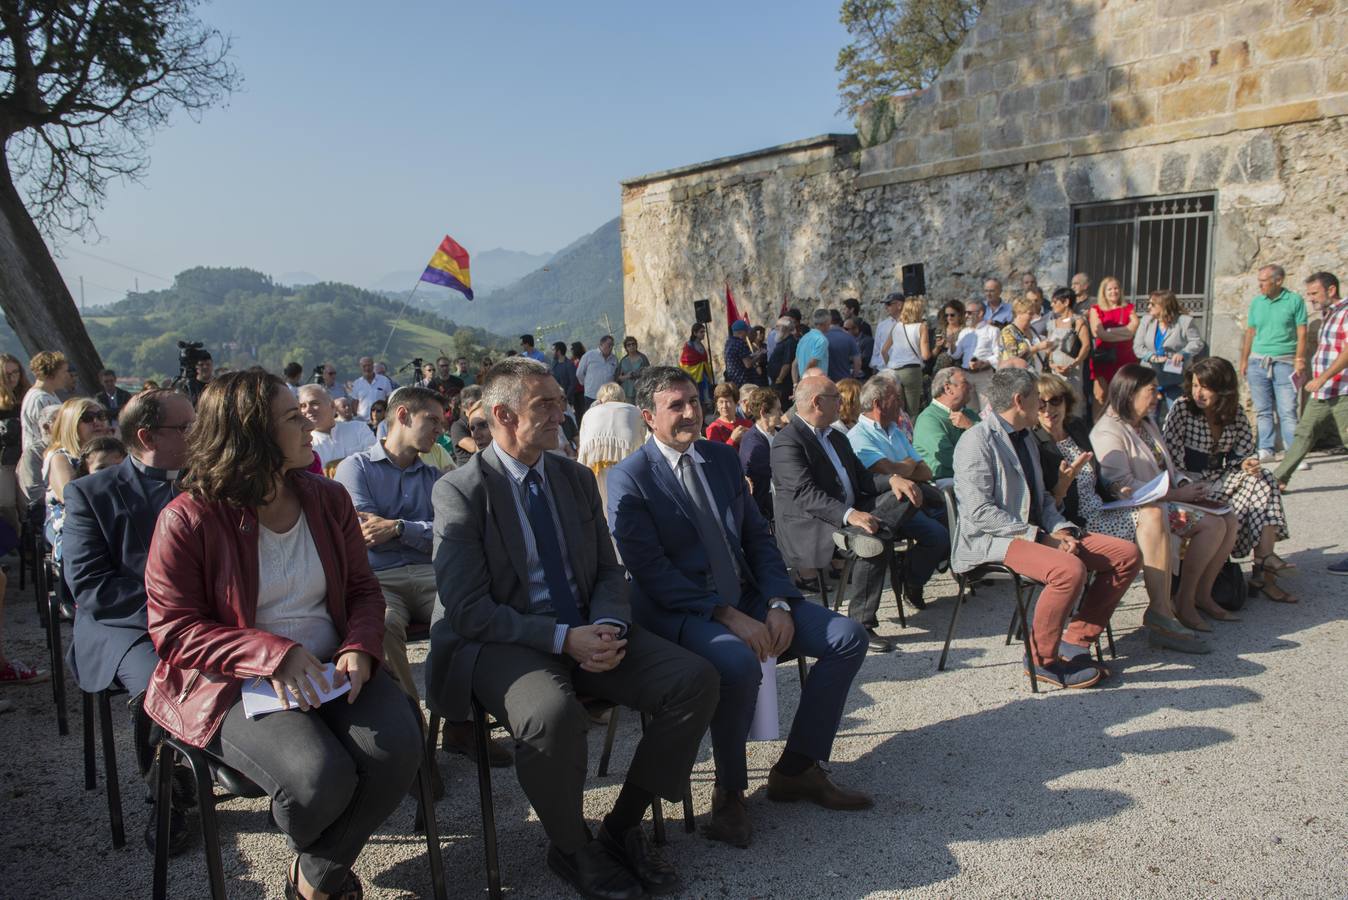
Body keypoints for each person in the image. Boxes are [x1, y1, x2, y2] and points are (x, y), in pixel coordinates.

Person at [427, 358, 718, 899]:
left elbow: (608, 569)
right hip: (505, 639)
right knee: (552, 713)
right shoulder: (462, 491)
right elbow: (467, 609)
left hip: (587, 627)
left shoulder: (575, 478)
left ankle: (620, 827)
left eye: (562, 401)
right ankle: (570, 847)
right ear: (502, 414)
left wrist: (605, 625)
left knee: (693, 679)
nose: (563, 413)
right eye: (547, 405)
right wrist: (564, 639)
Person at [141, 371, 420, 900]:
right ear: (251, 434)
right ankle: (328, 871)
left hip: (331, 667)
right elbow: (174, 632)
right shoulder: (188, 518)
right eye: (293, 418)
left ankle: (312, 877)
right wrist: (273, 654)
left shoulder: (328, 498)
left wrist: (360, 645)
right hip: (232, 683)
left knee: (399, 748)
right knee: (319, 780)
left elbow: (363, 589)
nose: (310, 427)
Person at [608, 367, 870, 850]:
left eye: (693, 401)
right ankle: (729, 791)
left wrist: (776, 601)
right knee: (737, 662)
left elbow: (756, 536)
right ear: (648, 417)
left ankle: (797, 768)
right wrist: (727, 615)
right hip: (684, 611)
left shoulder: (722, 458)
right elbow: (651, 573)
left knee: (847, 637)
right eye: (676, 406)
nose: (690, 412)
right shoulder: (631, 478)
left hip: (748, 594)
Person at [64, 390, 196, 852]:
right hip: (126, 624)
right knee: (157, 683)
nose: (196, 435)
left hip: (199, 619)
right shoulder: (90, 493)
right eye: (185, 428)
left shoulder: (207, 483)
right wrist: (168, 618)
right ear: (146, 436)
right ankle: (168, 796)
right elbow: (90, 585)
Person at [952, 368, 1142, 687]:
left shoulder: (1025, 437)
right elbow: (979, 512)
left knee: (1126, 555)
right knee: (1068, 570)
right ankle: (1042, 660)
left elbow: (1040, 498)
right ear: (1019, 400)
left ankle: (1076, 640)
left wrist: (1061, 529)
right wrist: (1041, 537)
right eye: (1038, 400)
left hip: (1032, 532)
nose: (1043, 407)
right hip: (990, 540)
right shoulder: (976, 441)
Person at [1092, 364, 1240, 639]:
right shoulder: (1108, 431)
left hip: (1166, 497)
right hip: (1140, 507)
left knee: (1229, 519)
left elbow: (1167, 467)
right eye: (1152, 391)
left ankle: (1202, 595)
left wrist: (1185, 485)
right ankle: (1184, 601)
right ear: (1131, 393)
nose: (1158, 396)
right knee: (1212, 526)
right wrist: (1173, 495)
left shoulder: (1145, 423)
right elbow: (1119, 485)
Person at [771, 376, 904, 651]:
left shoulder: (837, 437)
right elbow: (804, 494)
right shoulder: (788, 442)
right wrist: (849, 515)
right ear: (817, 402)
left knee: (912, 494)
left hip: (851, 513)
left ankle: (896, 551)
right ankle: (862, 626)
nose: (842, 403)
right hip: (817, 524)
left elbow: (864, 480)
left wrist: (892, 480)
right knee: (873, 544)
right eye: (836, 398)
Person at [334, 387, 446, 711]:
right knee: (380, 625)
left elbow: (447, 531)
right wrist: (420, 530)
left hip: (430, 573)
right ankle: (412, 723)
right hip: (378, 580)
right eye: (433, 420)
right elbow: (366, 530)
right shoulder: (356, 467)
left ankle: (458, 721)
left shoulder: (433, 476)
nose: (440, 429)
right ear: (403, 415)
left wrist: (398, 527)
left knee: (464, 615)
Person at [1165, 358, 1293, 601]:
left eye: (1205, 387)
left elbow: (1242, 453)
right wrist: (1186, 486)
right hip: (1190, 483)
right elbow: (1171, 460)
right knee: (1262, 493)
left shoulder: (1234, 413)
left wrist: (1247, 463)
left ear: (1222, 390)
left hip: (1220, 479)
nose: (1198, 393)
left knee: (1263, 478)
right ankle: (1263, 566)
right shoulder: (1182, 409)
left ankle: (1263, 561)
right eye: (1194, 385)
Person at [846, 374, 950, 610]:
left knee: (955, 521)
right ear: (877, 404)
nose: (901, 404)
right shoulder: (858, 437)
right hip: (887, 506)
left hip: (914, 498)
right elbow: (884, 470)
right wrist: (905, 466)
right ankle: (912, 581)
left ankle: (913, 567)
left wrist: (903, 468)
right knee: (938, 535)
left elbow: (926, 472)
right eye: (896, 399)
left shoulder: (895, 430)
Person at [1275, 272, 1348, 500]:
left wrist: (1323, 377)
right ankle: (1279, 479)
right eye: (1309, 294)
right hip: (1324, 390)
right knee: (1304, 433)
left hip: (1343, 390)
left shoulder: (1346, 313)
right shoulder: (1329, 314)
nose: (1311, 299)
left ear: (1332, 290)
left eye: (1314, 293)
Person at [1241, 264, 1309, 461]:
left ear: (1278, 281)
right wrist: (1244, 360)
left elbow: (1302, 331)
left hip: (1285, 362)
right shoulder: (1257, 302)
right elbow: (1251, 331)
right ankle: (1266, 449)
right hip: (1258, 362)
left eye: (1264, 281)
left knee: (1288, 410)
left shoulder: (1295, 301)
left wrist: (1300, 359)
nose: (1260, 285)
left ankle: (1293, 454)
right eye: (1259, 281)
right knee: (1262, 410)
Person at [42, 398, 113, 561]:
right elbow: (71, 499)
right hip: (74, 524)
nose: (97, 422)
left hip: (109, 519)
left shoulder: (115, 453)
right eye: (88, 418)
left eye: (101, 416)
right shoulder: (60, 458)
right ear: (70, 424)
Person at [1032, 373, 1104, 531]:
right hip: (1075, 521)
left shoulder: (1076, 426)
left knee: (1155, 511)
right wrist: (1061, 487)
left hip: (1102, 508)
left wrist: (1115, 487)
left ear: (1066, 402)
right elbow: (1041, 506)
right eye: (1041, 404)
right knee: (1150, 518)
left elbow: (1098, 477)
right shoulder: (1034, 443)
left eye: (1055, 400)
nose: (1048, 409)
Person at [576, 382, 645, 510]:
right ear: (622, 397)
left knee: (601, 496)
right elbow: (644, 438)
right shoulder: (635, 410)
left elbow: (583, 442)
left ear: (600, 398)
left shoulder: (590, 413)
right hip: (626, 454)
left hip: (595, 458)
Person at [1134, 289, 1205, 406]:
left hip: (1175, 377)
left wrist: (1183, 353)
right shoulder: (1146, 320)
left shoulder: (1184, 321)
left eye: (1152, 304)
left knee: (1176, 412)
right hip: (1150, 376)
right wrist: (1152, 357)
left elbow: (1197, 342)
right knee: (1149, 414)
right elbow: (1138, 347)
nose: (1148, 307)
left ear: (1163, 305)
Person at [912, 366, 980, 485]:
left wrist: (971, 426)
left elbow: (993, 443)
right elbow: (950, 458)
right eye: (965, 382)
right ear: (948, 388)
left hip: (973, 475)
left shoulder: (969, 415)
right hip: (946, 483)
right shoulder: (928, 419)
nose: (970, 386)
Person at [1087, 276, 1140, 418]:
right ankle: (1097, 429)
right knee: (1101, 396)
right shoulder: (1095, 309)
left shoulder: (1129, 308)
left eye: (1116, 288)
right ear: (1103, 292)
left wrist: (1110, 332)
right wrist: (1124, 331)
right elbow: (1098, 333)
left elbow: (1133, 329)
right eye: (1109, 289)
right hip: (1104, 358)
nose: (1113, 291)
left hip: (1125, 358)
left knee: (1125, 395)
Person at [298, 385, 376, 473]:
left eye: (314, 403)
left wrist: (335, 466)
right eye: (303, 406)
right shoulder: (302, 444)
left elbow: (374, 459)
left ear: (331, 405)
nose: (308, 410)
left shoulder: (358, 428)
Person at [874, 295, 930, 416]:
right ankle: (911, 433)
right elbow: (925, 355)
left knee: (899, 411)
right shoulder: (921, 326)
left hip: (894, 370)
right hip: (912, 370)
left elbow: (884, 350)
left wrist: (889, 364)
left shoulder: (897, 326)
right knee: (912, 410)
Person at [739, 386, 780, 519]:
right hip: (765, 514)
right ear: (764, 412)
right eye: (778, 410)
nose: (781, 413)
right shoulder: (753, 444)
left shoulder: (778, 433)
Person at [0, 353, 29, 534]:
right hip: (5, 461)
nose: (12, 378)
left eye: (16, 372)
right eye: (7, 374)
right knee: (7, 504)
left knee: (26, 505)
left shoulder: (27, 398)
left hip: (25, 458)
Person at [21, 350, 70, 454]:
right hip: (41, 456)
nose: (67, 375)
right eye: (64, 371)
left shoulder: (48, 394)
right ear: (52, 372)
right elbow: (52, 432)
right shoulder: (41, 398)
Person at [1044, 288, 1091, 394]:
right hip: (1056, 370)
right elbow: (1051, 346)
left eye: (1055, 302)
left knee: (1074, 400)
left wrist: (1073, 364)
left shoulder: (1078, 321)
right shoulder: (1053, 323)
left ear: (1066, 302)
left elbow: (1086, 346)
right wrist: (1052, 364)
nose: (1051, 305)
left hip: (1073, 371)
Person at [961, 298, 1001, 406]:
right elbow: (955, 354)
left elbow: (999, 355)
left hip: (984, 375)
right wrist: (950, 343)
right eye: (965, 313)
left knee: (987, 411)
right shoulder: (964, 332)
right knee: (970, 411)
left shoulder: (993, 330)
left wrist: (984, 363)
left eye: (969, 313)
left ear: (980, 313)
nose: (966, 316)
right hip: (966, 375)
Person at [18, 403, 59, 508]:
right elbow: (34, 492)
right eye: (62, 422)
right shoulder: (34, 452)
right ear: (47, 427)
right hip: (47, 511)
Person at [1000, 295, 1054, 369]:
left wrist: (1047, 350)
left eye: (1033, 313)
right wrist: (1037, 347)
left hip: (1036, 375)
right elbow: (1013, 358)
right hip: (1020, 376)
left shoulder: (1032, 329)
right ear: (1019, 313)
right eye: (1030, 313)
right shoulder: (1008, 331)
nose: (1033, 317)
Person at [576, 335, 620, 419]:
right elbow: (579, 373)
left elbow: (615, 375)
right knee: (592, 418)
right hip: (591, 395)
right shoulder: (589, 355)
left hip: (608, 396)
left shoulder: (614, 359)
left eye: (612, 345)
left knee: (607, 418)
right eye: (609, 345)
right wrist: (586, 384)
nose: (611, 347)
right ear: (601, 344)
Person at [445, 385, 484, 467]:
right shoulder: (457, 427)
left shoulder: (484, 419)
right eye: (482, 401)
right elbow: (475, 447)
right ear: (471, 404)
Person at [680, 323, 715, 410]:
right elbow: (686, 361)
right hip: (694, 375)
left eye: (704, 332)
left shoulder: (701, 345)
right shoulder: (688, 346)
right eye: (701, 332)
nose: (703, 334)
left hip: (703, 375)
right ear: (694, 333)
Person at [766, 316, 798, 408]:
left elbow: (787, 364)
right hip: (777, 382)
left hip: (782, 384)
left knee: (782, 406)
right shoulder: (782, 341)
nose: (776, 329)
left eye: (777, 327)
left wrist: (779, 380)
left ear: (784, 328)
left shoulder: (789, 342)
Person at [823, 311, 862, 384]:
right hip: (845, 381)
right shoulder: (849, 337)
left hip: (826, 381)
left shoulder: (821, 337)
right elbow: (858, 362)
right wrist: (854, 377)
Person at [794, 308, 832, 381]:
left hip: (804, 382)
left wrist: (796, 383)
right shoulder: (822, 340)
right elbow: (813, 362)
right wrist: (804, 379)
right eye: (829, 323)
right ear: (826, 323)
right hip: (815, 381)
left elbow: (795, 364)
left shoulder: (804, 338)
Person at [615, 336, 651, 403]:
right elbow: (618, 378)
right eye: (629, 345)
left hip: (640, 391)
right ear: (626, 348)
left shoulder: (642, 359)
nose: (631, 346)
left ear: (636, 345)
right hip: (627, 391)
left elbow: (649, 373)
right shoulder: (623, 361)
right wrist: (627, 376)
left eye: (633, 344)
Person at [723, 320, 756, 387]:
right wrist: (758, 356)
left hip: (733, 381)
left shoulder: (729, 342)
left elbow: (739, 357)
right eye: (746, 331)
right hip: (742, 380)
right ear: (741, 332)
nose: (747, 334)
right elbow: (748, 364)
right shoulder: (740, 343)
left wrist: (753, 355)